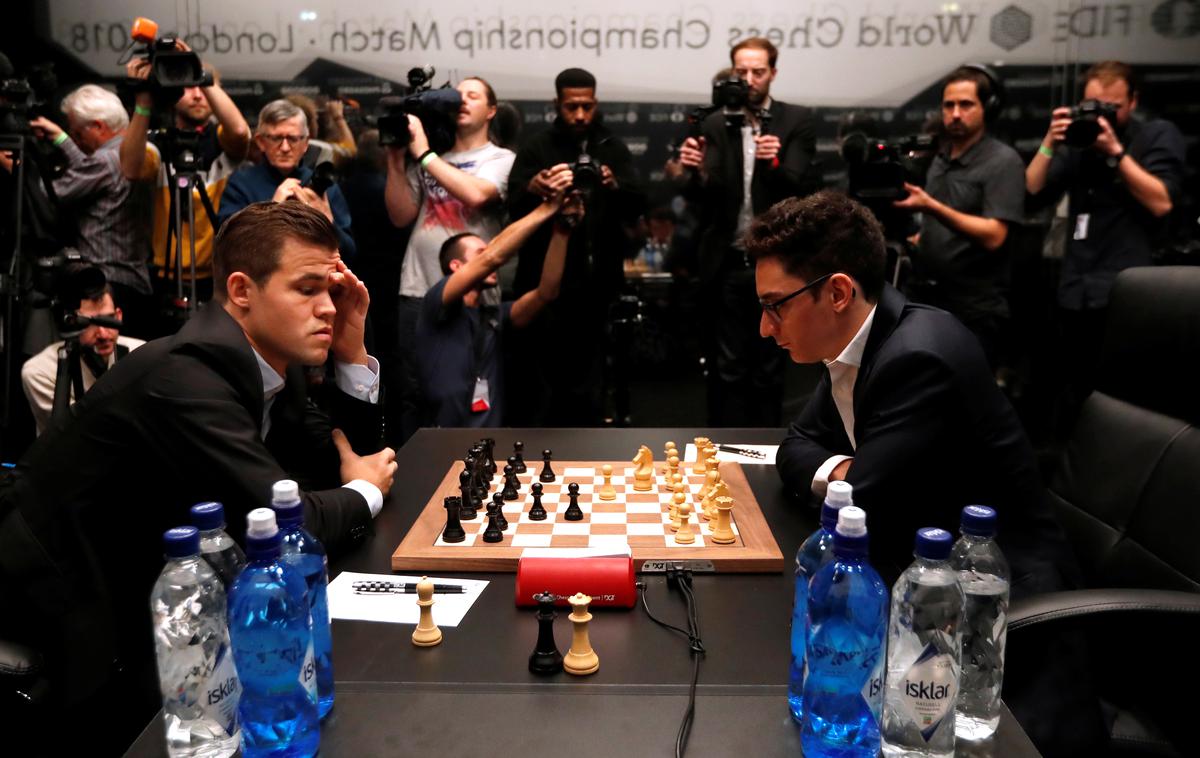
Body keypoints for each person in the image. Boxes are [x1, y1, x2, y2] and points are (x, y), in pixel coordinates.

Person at [0, 200, 395, 747]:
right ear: (241, 291)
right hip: (71, 600)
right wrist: (364, 491)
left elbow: (354, 461)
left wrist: (353, 352)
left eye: (333, 291)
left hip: (165, 586)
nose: (328, 307)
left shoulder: (271, 362)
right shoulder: (184, 375)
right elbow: (296, 515)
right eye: (308, 290)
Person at [749, 191, 1104, 755]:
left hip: (995, 630)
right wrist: (845, 471)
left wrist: (846, 483)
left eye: (776, 306)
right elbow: (797, 445)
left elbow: (857, 510)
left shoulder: (919, 357)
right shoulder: (860, 342)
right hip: (919, 588)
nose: (766, 329)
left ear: (837, 292)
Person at [1025, 60, 1185, 416]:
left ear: (1133, 101)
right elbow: (1032, 189)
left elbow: (1161, 201)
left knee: (1128, 395)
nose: (1101, 116)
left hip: (1130, 291)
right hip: (1077, 287)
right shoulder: (1080, 143)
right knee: (1080, 393)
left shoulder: (1155, 135)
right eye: (1093, 106)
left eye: (1111, 107)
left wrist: (1116, 153)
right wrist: (1051, 142)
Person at [678, 38, 817, 427]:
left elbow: (802, 189)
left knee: (771, 365)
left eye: (758, 72)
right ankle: (720, 457)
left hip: (779, 262)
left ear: (773, 73)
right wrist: (693, 170)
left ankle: (771, 453)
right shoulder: (713, 122)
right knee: (727, 368)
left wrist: (773, 161)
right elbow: (699, 197)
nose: (750, 80)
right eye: (742, 72)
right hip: (727, 260)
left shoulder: (796, 119)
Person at [505, 67, 646, 426]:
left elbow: (639, 206)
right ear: (557, 103)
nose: (580, 114)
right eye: (571, 107)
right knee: (540, 390)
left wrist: (614, 186)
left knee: (592, 390)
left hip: (599, 288)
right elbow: (512, 209)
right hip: (542, 288)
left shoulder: (612, 147)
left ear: (595, 102)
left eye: (586, 106)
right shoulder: (538, 147)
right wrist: (536, 187)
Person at [384, 76, 515, 441]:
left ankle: (474, 464)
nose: (462, 99)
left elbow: (475, 195)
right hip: (418, 284)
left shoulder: (500, 159)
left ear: (491, 110)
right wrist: (396, 160)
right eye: (457, 94)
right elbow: (400, 215)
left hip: (472, 294)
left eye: (473, 95)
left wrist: (423, 154)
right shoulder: (432, 156)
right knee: (412, 389)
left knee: (466, 386)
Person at [894, 65, 1025, 370]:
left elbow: (995, 235)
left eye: (966, 105)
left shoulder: (1002, 162)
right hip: (927, 299)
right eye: (948, 105)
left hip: (975, 309)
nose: (955, 113)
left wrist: (933, 207)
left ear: (987, 108)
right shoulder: (939, 158)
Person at [1, 85, 155, 337]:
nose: (75, 138)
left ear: (98, 126)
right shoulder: (138, 152)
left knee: (101, 365)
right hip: (136, 278)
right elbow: (88, 169)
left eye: (77, 131)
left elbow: (50, 194)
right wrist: (61, 138)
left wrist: (15, 167)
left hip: (104, 281)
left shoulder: (105, 161)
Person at [417, 192, 580, 427]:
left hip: (489, 445)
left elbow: (547, 292)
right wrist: (547, 208)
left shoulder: (494, 316)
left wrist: (561, 233)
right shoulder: (436, 303)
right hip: (443, 441)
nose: (491, 257)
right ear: (457, 266)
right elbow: (492, 259)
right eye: (479, 253)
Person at [120, 40, 251, 311]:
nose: (197, 94)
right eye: (188, 85)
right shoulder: (157, 141)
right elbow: (130, 168)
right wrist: (144, 99)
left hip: (217, 273)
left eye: (202, 85)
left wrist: (197, 70)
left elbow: (240, 133)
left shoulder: (220, 141)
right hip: (164, 273)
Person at [219, 99, 356, 259]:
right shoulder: (241, 183)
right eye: (276, 138)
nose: (285, 148)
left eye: (292, 139)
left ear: (305, 143)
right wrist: (272, 212)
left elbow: (349, 252)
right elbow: (228, 247)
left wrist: (327, 222)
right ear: (261, 142)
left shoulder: (324, 186)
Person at [21, 276, 144, 435]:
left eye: (108, 319)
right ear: (71, 322)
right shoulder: (40, 371)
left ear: (119, 316)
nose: (102, 333)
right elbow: (77, 434)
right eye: (89, 323)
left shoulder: (142, 353)